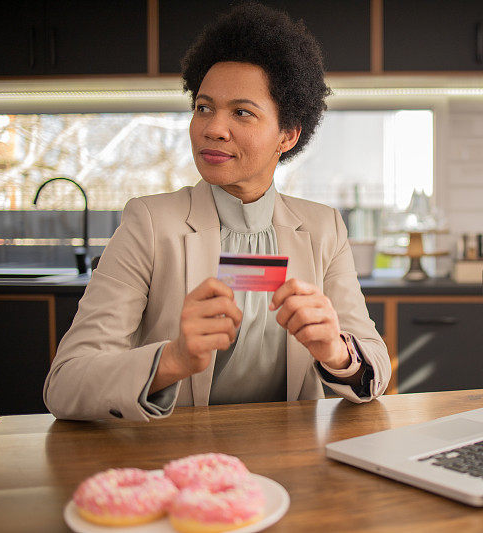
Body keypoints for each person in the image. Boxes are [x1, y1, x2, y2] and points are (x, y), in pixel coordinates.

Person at [43, 2, 390, 421]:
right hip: (177, 462)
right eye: (203, 107)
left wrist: (336, 351)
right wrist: (172, 359)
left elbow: (376, 367)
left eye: (242, 112)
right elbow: (65, 384)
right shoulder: (150, 224)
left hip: (291, 460)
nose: (212, 127)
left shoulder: (323, 228)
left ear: (288, 134)